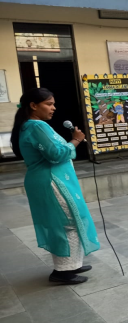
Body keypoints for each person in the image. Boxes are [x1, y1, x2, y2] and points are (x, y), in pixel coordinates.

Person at [11, 88, 100, 284]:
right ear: (33, 106)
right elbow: (56, 154)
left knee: (69, 221)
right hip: (50, 181)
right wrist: (76, 140)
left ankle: (72, 264)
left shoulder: (30, 125)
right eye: (49, 104)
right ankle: (62, 272)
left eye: (53, 104)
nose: (54, 108)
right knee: (67, 222)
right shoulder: (36, 126)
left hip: (47, 179)